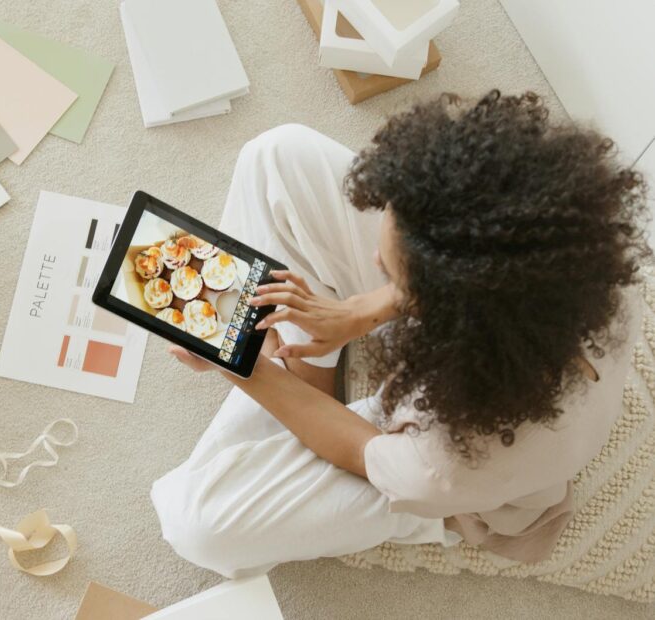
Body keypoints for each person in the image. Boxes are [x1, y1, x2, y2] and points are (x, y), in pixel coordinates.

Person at [150, 91, 650, 579]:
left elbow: (357, 450)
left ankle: (294, 381)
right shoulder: (581, 264)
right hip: (472, 329)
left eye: (389, 274)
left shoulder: (455, 462)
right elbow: (462, 273)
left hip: (432, 458)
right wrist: (360, 312)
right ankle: (304, 377)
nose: (373, 262)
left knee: (194, 523)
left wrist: (248, 369)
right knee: (276, 157)